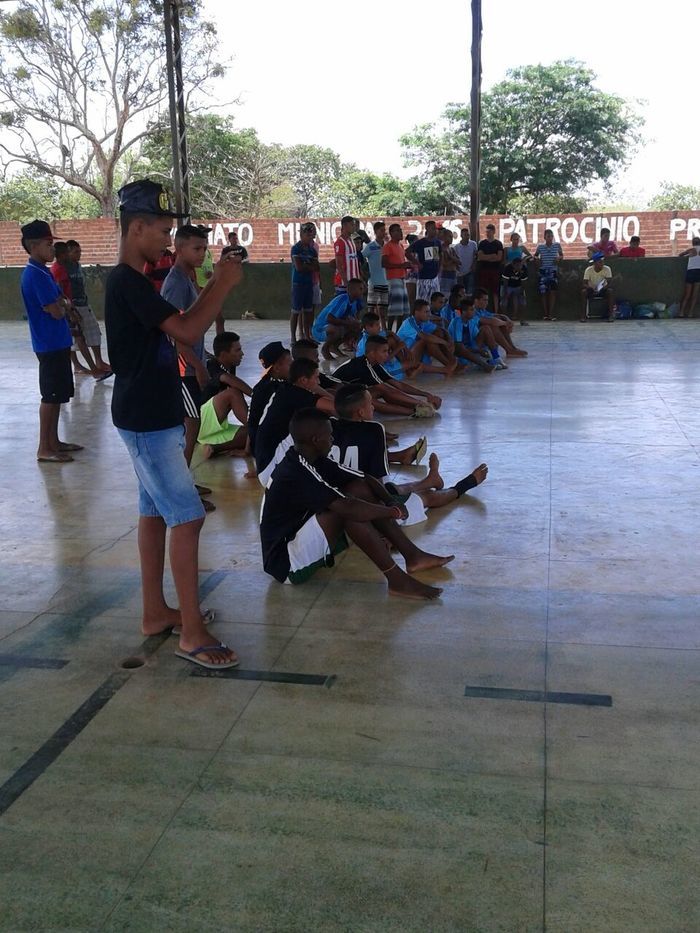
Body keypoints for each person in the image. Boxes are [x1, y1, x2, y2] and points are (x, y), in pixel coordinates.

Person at [105, 178, 243, 670]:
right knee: (188, 517)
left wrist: (212, 283)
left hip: (149, 412)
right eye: (162, 231)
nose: (167, 239)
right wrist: (223, 284)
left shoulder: (136, 282)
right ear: (136, 227)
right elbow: (186, 331)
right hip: (146, 419)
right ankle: (191, 632)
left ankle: (155, 612)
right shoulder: (127, 281)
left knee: (156, 513)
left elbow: (179, 326)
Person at [260, 407, 452, 599]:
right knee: (348, 511)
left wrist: (390, 500)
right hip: (285, 562)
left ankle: (413, 556)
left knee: (357, 489)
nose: (333, 439)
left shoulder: (311, 457)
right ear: (316, 440)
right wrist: (393, 512)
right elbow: (349, 508)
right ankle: (397, 581)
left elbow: (364, 478)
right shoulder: (295, 473)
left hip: (297, 536)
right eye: (330, 435)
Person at [331, 384, 489, 524]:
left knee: (393, 488)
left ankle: (430, 480)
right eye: (370, 404)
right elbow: (377, 482)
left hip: (334, 497)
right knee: (427, 497)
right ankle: (464, 485)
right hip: (363, 504)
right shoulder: (373, 429)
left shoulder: (328, 426)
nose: (373, 407)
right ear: (360, 412)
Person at [20, 219, 82, 463]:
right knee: (50, 396)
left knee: (57, 396)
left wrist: (64, 304)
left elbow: (61, 302)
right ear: (34, 245)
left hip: (57, 341)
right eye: (48, 244)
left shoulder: (43, 272)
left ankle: (54, 441)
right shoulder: (34, 275)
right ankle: (44, 447)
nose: (52, 249)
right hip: (48, 343)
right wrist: (66, 305)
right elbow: (56, 309)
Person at [161, 224, 213, 492]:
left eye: (204, 248)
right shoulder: (176, 284)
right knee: (190, 425)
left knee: (192, 424)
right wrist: (196, 365)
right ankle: (181, 486)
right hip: (182, 369)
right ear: (179, 249)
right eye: (196, 248)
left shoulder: (188, 278)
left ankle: (184, 480)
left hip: (192, 363)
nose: (202, 253)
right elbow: (174, 333)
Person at [254, 357, 335, 485]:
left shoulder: (289, 389)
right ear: (303, 380)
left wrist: (315, 387)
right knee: (321, 427)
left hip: (267, 463)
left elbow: (330, 400)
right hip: (272, 469)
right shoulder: (294, 395)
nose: (319, 381)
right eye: (316, 377)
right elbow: (338, 408)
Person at [334, 335, 443, 416]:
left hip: (350, 393)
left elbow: (399, 385)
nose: (387, 355)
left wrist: (426, 395)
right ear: (372, 353)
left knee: (377, 392)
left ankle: (418, 409)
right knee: (368, 400)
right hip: (336, 397)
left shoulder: (374, 364)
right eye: (384, 351)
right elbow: (388, 390)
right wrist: (422, 404)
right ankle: (414, 413)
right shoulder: (363, 366)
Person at [195, 331, 250, 462]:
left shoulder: (230, 366)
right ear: (224, 355)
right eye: (238, 350)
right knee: (233, 393)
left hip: (214, 427)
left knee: (252, 434)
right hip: (199, 421)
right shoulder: (212, 365)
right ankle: (255, 424)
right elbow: (225, 378)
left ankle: (215, 448)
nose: (242, 354)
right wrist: (256, 394)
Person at [50, 241, 100, 377]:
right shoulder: (58, 270)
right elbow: (60, 294)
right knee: (78, 339)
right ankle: (93, 369)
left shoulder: (67, 267)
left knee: (77, 338)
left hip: (70, 307)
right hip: (68, 309)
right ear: (61, 255)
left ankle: (91, 367)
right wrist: (70, 311)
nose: (69, 255)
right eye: (67, 252)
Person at [65, 240, 111, 374]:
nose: (79, 254)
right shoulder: (64, 268)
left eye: (80, 251)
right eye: (75, 252)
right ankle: (78, 365)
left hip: (83, 303)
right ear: (68, 253)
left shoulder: (77, 266)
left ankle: (99, 360)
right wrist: (71, 309)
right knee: (74, 338)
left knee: (94, 331)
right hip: (73, 306)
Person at [247, 342, 292, 463]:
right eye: (290, 363)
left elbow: (251, 422)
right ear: (277, 367)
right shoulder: (276, 389)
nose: (294, 367)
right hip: (269, 450)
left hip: (259, 447)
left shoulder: (264, 384)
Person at [397, 300, 457, 374]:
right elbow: (424, 336)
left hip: (416, 354)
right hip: (405, 358)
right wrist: (445, 342)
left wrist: (450, 340)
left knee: (438, 334)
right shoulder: (409, 322)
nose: (429, 314)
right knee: (427, 340)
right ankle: (449, 365)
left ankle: (450, 363)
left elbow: (439, 329)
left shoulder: (423, 322)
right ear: (416, 312)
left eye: (429, 312)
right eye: (426, 312)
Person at [311, 278, 363, 359]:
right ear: (351, 290)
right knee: (336, 329)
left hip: (334, 326)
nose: (362, 291)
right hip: (320, 329)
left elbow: (352, 318)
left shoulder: (355, 302)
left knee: (357, 327)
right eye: (360, 289)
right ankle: (325, 349)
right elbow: (330, 319)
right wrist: (348, 323)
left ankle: (334, 347)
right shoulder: (342, 299)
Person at [450, 298, 506, 371]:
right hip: (459, 352)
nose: (474, 311)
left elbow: (478, 337)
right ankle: (483, 364)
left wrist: (490, 344)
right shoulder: (457, 322)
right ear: (464, 312)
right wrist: (478, 351)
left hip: (471, 348)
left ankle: (496, 358)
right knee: (461, 349)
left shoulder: (472, 321)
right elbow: (459, 345)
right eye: (472, 309)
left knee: (485, 328)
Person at [473, 288, 528, 356]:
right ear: (476, 301)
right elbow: (491, 321)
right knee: (492, 326)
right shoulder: (472, 311)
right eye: (484, 300)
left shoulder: (481, 310)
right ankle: (508, 349)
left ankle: (512, 348)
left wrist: (507, 320)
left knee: (500, 320)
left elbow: (498, 315)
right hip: (476, 341)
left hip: (484, 338)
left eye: (487, 300)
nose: (486, 303)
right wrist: (505, 323)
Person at [290, 221, 319, 343]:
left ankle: (307, 335)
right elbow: (299, 268)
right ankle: (293, 337)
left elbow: (316, 267)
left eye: (311, 235)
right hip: (298, 283)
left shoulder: (313, 251)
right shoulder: (296, 248)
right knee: (296, 311)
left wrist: (306, 265)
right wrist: (309, 266)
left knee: (308, 311)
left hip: (309, 283)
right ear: (301, 234)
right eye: (307, 235)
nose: (310, 237)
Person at [382, 223, 412, 331]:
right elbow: (384, 263)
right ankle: (390, 332)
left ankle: (398, 332)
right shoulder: (388, 246)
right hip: (393, 280)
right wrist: (401, 266)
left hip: (402, 278)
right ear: (391, 233)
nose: (400, 232)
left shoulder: (400, 246)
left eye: (400, 230)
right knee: (394, 309)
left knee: (403, 310)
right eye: (397, 230)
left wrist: (408, 266)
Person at [405, 220, 442, 302]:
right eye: (433, 228)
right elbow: (407, 252)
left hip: (434, 276)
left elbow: (440, 254)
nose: (435, 231)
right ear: (427, 229)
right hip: (423, 277)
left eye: (435, 229)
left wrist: (440, 266)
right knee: (423, 301)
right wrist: (417, 263)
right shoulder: (420, 243)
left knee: (436, 300)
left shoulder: (437, 242)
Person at [363, 221, 389, 329]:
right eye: (381, 230)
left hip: (385, 282)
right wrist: (365, 275)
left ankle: (384, 329)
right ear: (375, 232)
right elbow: (362, 259)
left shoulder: (387, 246)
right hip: (373, 282)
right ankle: (368, 329)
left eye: (384, 230)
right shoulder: (370, 246)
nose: (383, 233)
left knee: (382, 310)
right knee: (371, 309)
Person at [534, 229, 563, 321]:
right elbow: (535, 255)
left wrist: (559, 258)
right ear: (544, 237)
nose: (550, 238)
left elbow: (562, 255)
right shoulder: (540, 247)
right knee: (543, 293)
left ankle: (551, 313)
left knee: (553, 292)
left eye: (551, 236)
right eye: (548, 236)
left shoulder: (557, 245)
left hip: (553, 271)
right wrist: (537, 260)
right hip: (543, 271)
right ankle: (545, 314)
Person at [476, 224, 504, 312]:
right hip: (484, 270)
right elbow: (480, 257)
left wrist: (487, 257)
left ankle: (496, 311)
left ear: (494, 232)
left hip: (495, 270)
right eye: (487, 232)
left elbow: (499, 257)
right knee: (483, 291)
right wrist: (492, 256)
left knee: (495, 292)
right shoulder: (482, 243)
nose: (488, 233)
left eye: (490, 232)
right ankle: (482, 310)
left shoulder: (498, 244)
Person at [581, 252, 614, 322]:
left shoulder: (607, 269)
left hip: (602, 290)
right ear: (595, 263)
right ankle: (583, 316)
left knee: (610, 291)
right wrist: (589, 287)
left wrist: (604, 287)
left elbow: (610, 283)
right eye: (600, 262)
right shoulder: (588, 270)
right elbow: (584, 283)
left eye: (603, 262)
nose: (602, 264)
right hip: (591, 290)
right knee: (583, 292)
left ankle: (610, 315)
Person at [333, 215, 360, 295]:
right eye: (352, 225)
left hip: (354, 281)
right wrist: (346, 283)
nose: (354, 227)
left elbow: (355, 262)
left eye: (354, 225)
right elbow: (339, 264)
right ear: (344, 226)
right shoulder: (340, 242)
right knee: (343, 306)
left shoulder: (351, 240)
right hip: (344, 284)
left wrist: (360, 280)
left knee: (355, 306)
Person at [500, 257, 529, 324]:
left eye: (520, 265)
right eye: (517, 265)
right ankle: (506, 319)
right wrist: (505, 292)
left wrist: (521, 292)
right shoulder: (507, 267)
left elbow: (524, 282)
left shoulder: (524, 268)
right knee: (503, 302)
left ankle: (522, 320)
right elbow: (505, 281)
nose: (519, 267)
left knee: (523, 302)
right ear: (513, 264)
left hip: (518, 285)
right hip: (507, 285)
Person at [679, 237, 700, 318]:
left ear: (693, 243)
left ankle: (681, 312)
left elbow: (680, 255)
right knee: (695, 295)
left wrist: (688, 255)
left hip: (690, 271)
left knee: (687, 294)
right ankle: (690, 313)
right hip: (699, 271)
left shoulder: (690, 250)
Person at [453, 226, 478, 294]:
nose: (467, 237)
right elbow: (455, 259)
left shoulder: (473, 244)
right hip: (460, 272)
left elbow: (476, 255)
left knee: (470, 290)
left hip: (470, 271)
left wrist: (474, 264)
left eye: (468, 235)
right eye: (465, 235)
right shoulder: (456, 247)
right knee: (461, 291)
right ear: (461, 235)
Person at [438, 227, 460, 296]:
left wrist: (451, 257)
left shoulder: (452, 249)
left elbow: (459, 262)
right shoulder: (440, 248)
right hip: (445, 275)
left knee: (454, 295)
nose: (451, 238)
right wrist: (453, 260)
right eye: (449, 236)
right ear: (444, 237)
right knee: (445, 296)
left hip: (453, 275)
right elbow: (443, 264)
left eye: (452, 237)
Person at [404, 233, 420, 309]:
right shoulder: (409, 252)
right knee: (411, 298)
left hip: (416, 275)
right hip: (411, 276)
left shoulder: (417, 252)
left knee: (415, 298)